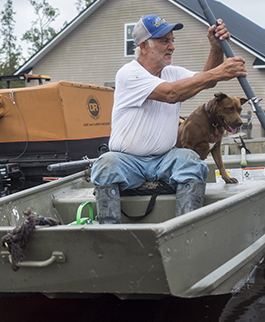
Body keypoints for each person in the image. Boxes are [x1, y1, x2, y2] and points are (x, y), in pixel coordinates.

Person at [91, 14, 247, 223]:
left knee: (193, 164)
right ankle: (109, 233)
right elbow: (170, 94)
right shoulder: (128, 73)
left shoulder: (171, 72)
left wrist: (216, 48)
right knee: (105, 164)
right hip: (127, 161)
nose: (172, 46)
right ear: (145, 46)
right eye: (165, 41)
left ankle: (182, 231)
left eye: (172, 40)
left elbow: (206, 81)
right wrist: (220, 72)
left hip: (165, 159)